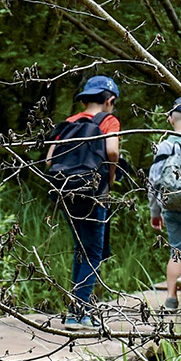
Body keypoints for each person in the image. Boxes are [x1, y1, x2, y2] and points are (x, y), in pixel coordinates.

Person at [44, 74, 122, 326]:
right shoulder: (109, 121)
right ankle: (79, 311)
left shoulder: (69, 122)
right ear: (110, 100)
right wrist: (109, 180)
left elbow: (48, 160)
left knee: (81, 248)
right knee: (93, 252)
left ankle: (77, 307)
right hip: (93, 192)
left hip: (67, 192)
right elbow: (112, 150)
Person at [147, 99, 181, 307]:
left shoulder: (164, 146)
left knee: (177, 251)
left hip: (170, 207)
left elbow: (154, 180)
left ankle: (171, 297)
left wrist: (155, 211)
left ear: (170, 119)